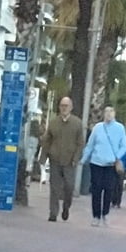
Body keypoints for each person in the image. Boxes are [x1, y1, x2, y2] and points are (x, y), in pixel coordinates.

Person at [39, 94, 85, 223]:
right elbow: (47, 141)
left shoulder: (77, 123)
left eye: (66, 106)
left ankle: (66, 206)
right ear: (59, 107)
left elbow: (80, 143)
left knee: (69, 186)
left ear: (71, 107)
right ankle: (53, 213)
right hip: (55, 159)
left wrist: (76, 158)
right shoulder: (54, 122)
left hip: (70, 161)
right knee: (54, 187)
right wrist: (43, 157)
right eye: (62, 105)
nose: (64, 108)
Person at [82, 104, 126, 225]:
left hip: (111, 164)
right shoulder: (98, 128)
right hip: (96, 162)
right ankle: (96, 215)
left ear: (114, 114)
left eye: (111, 111)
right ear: (103, 114)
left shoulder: (119, 128)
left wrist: (117, 156)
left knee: (109, 189)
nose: (108, 114)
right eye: (106, 111)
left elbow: (124, 146)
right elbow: (90, 145)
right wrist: (83, 159)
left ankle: (105, 213)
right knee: (96, 190)